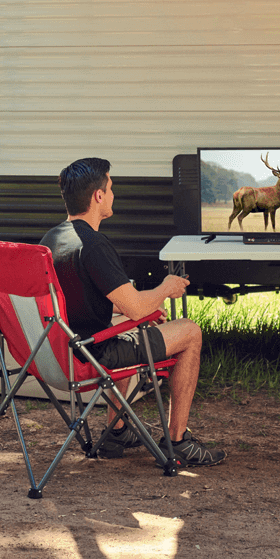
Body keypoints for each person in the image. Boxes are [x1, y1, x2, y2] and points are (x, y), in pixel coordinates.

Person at [40, 157, 226, 467]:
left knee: (129, 320)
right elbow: (138, 306)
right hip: (92, 354)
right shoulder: (94, 244)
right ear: (98, 196)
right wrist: (166, 288)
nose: (113, 194)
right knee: (190, 331)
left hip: (59, 351)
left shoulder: (54, 239)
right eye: (110, 188)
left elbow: (85, 297)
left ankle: (117, 430)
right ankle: (178, 440)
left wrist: (141, 309)